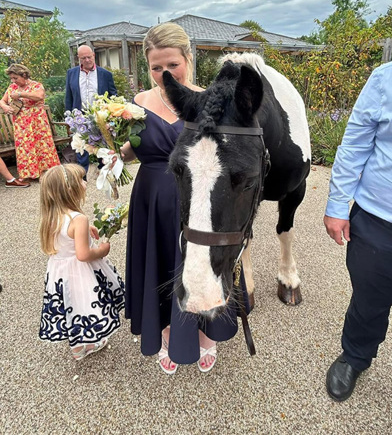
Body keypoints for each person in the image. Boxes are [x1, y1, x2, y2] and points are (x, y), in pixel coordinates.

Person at [119, 23, 249, 375]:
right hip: (151, 201)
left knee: (201, 267)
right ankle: (164, 333)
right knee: (159, 263)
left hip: (197, 202)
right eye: (156, 67)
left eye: (172, 65)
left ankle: (206, 335)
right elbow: (132, 153)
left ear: (188, 59)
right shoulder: (136, 104)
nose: (164, 73)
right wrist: (114, 147)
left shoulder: (210, 100)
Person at [324, 61, 392, 402]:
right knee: (369, 299)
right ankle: (355, 356)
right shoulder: (385, 79)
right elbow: (354, 146)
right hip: (380, 218)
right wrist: (337, 206)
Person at [38, 163, 125, 361]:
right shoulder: (78, 219)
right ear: (70, 189)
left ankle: (77, 347)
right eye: (81, 179)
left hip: (60, 272)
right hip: (80, 271)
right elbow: (83, 254)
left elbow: (65, 238)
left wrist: (87, 230)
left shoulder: (51, 216)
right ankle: (90, 340)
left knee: (70, 305)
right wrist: (101, 250)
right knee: (84, 303)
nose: (85, 182)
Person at [0, 64, 60, 180]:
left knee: (41, 145)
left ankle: (44, 172)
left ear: (24, 75)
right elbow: (2, 100)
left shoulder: (36, 85)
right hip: (21, 124)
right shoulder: (12, 87)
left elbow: (40, 96)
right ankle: (27, 173)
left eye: (15, 78)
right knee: (25, 147)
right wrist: (5, 107)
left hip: (37, 122)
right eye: (12, 78)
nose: (13, 81)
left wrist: (21, 94)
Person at [65, 45, 117, 174]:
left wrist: (112, 115)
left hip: (100, 116)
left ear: (93, 55)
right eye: (83, 58)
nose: (87, 60)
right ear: (79, 58)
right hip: (79, 116)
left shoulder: (105, 74)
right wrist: (68, 117)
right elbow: (68, 96)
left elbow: (113, 96)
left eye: (89, 57)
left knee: (102, 144)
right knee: (81, 147)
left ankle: (103, 170)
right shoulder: (71, 73)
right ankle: (82, 175)